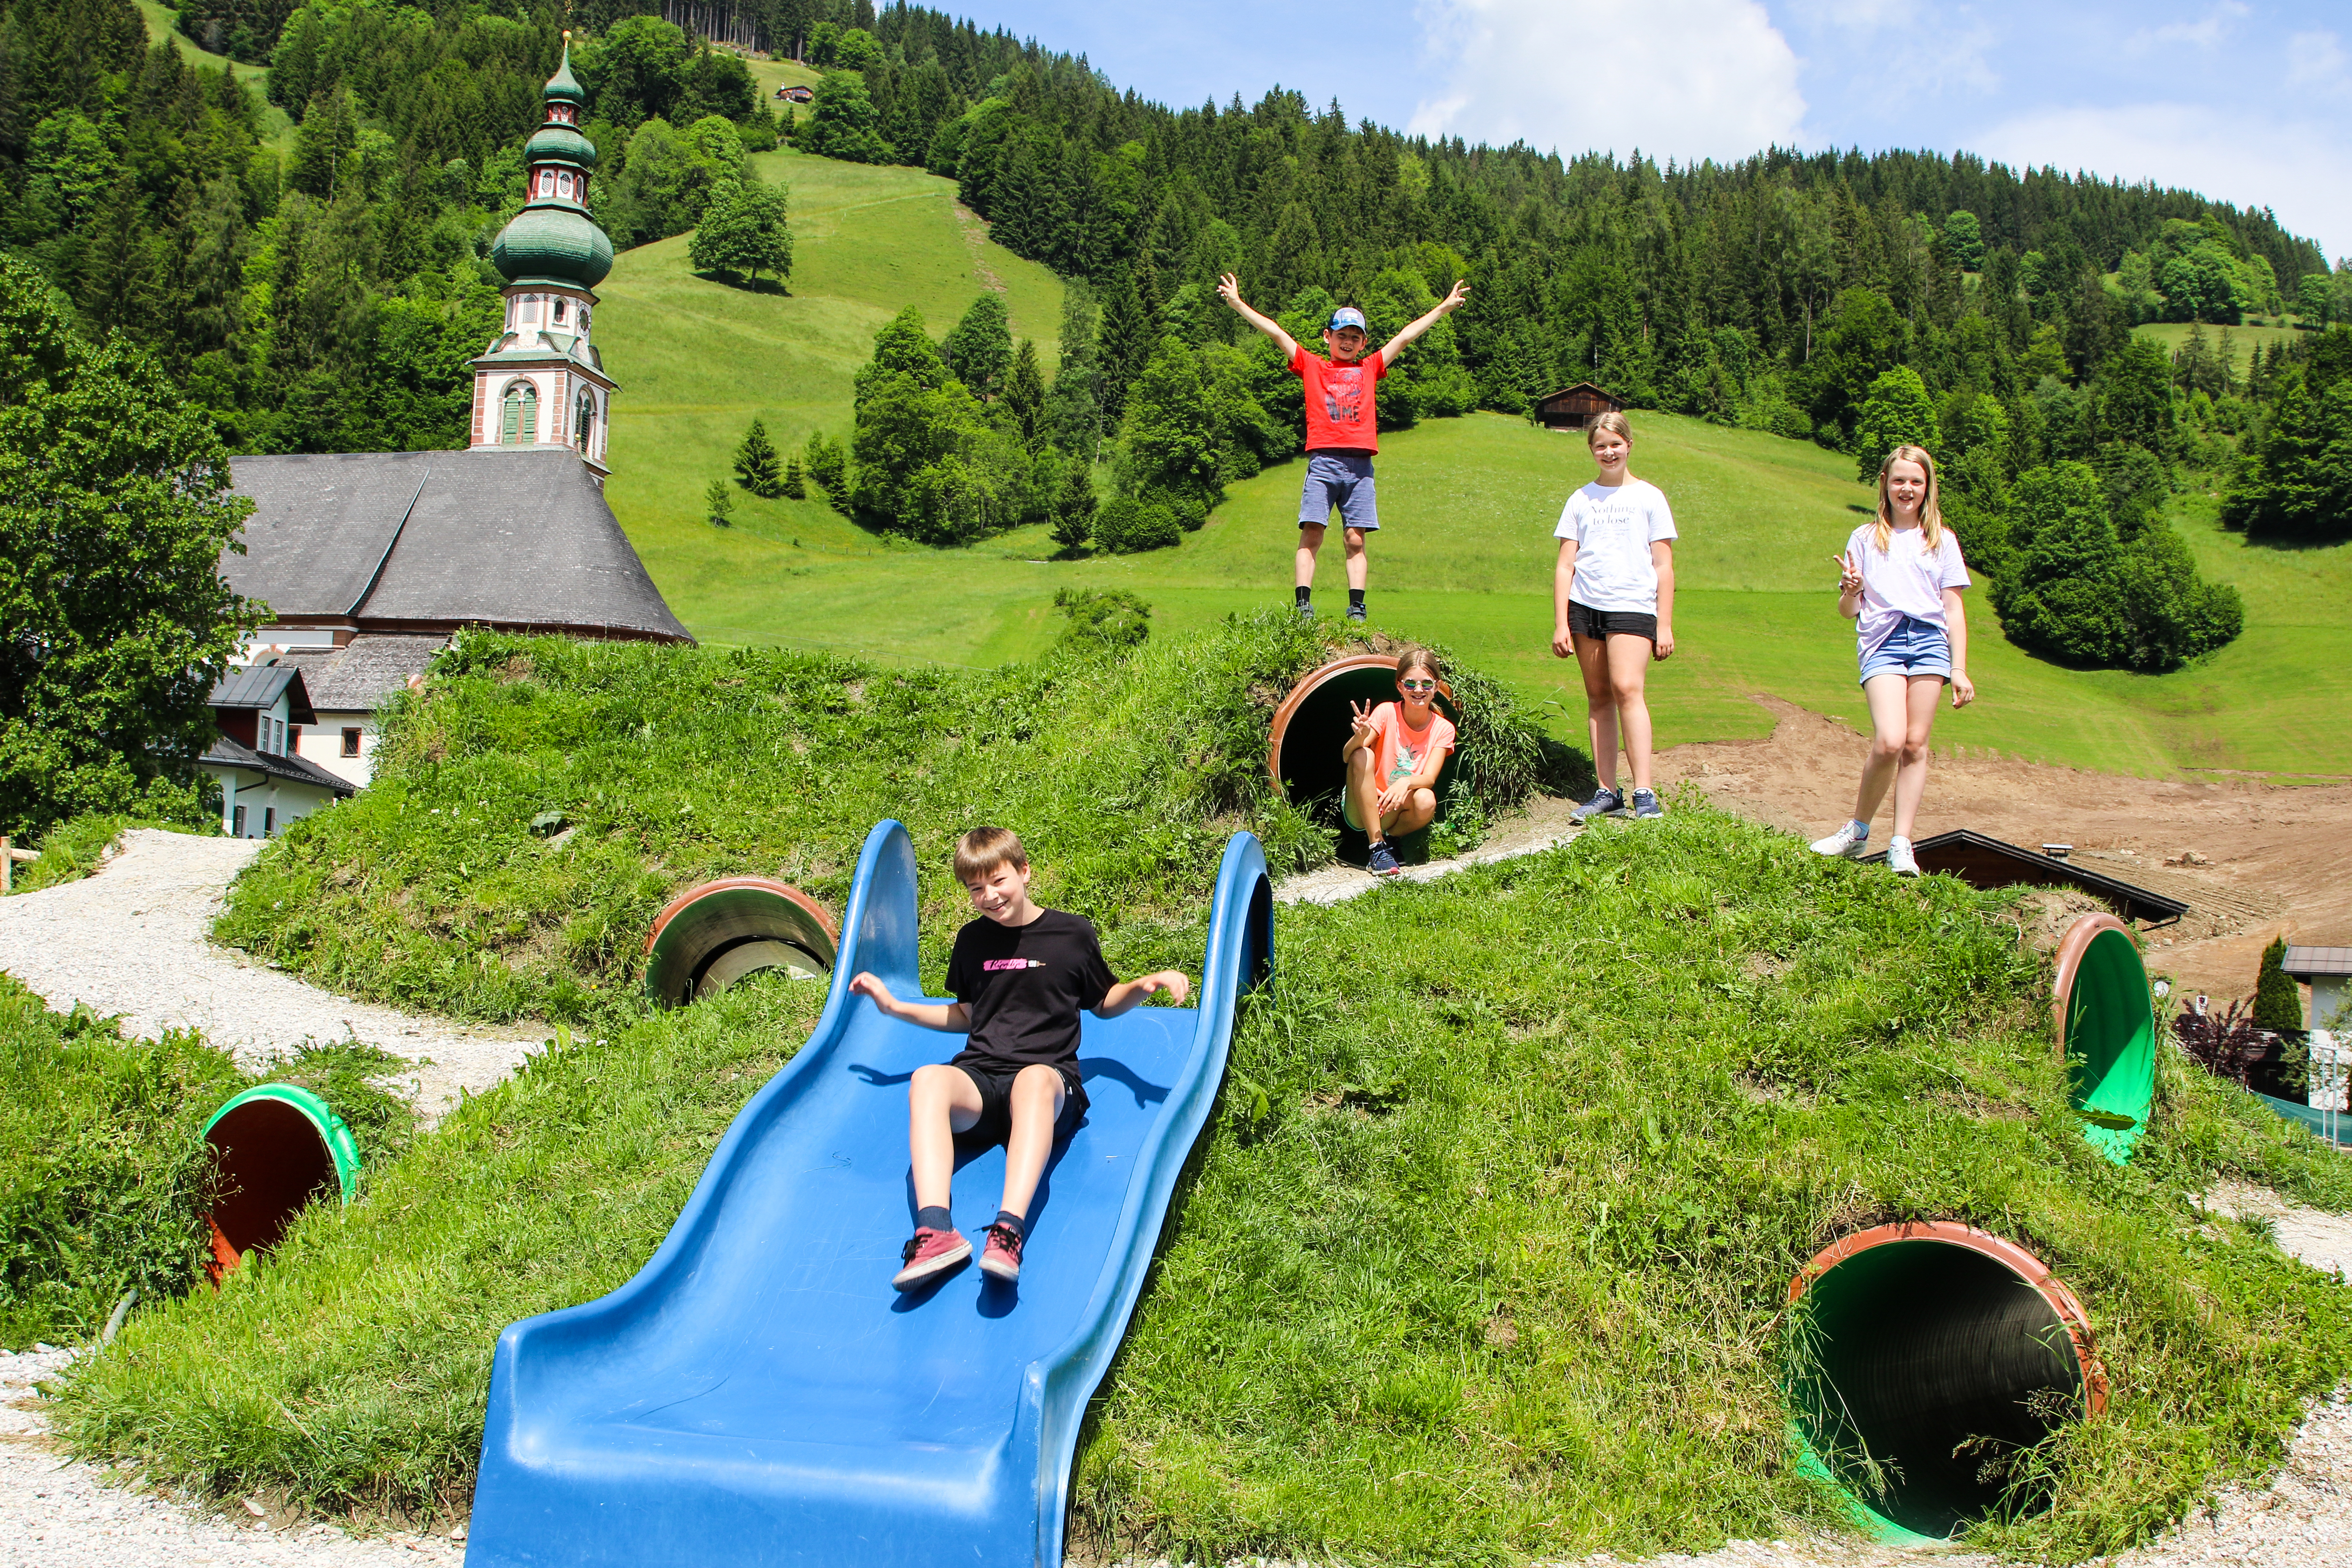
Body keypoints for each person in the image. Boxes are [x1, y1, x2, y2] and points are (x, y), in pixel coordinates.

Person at [849, 827, 1190, 1290]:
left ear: (1024, 872)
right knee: (929, 1078)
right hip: (984, 1081)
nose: (988, 896)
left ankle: (1008, 1230)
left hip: (1046, 1088)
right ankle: (935, 1233)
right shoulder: (972, 941)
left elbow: (1103, 1002)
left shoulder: (1071, 933)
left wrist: (1141, 985)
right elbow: (968, 1015)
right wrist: (895, 1007)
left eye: (998, 881)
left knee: (1032, 1079)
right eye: (975, 888)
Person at [1217, 273, 1470, 623]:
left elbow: (1406, 336)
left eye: (1355, 336)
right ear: (1328, 337)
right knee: (1313, 532)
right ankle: (1303, 605)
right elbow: (1276, 332)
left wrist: (1442, 308)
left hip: (1361, 466)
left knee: (1355, 539)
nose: (1348, 341)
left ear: (1363, 343)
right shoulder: (1312, 365)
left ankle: (1357, 608)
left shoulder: (1370, 367)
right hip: (1323, 462)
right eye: (1342, 335)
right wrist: (1238, 304)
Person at [1809, 445, 1975, 876]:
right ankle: (1857, 831)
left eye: (1916, 482)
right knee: (1890, 740)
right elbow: (1849, 611)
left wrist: (1958, 668)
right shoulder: (1864, 538)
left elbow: (1953, 608)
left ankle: (1902, 844)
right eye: (1899, 480)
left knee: (1916, 744)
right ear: (1885, 483)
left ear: (1927, 488)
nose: (1907, 489)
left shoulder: (1942, 540)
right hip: (1881, 641)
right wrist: (1850, 589)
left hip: (1929, 642)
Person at [1550, 412, 1676, 823]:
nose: (1609, 452)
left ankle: (1645, 791)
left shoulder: (1650, 497)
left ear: (1629, 445)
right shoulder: (1580, 499)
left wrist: (1665, 623)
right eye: (1601, 445)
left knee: (1627, 689)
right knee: (1599, 696)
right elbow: (1565, 565)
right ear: (1592, 450)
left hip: (1634, 606)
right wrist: (1560, 622)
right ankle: (1607, 790)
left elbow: (1663, 565)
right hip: (1586, 608)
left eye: (1615, 444)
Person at [1341, 647, 1459, 878]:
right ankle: (1376, 848)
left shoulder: (1443, 728)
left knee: (1426, 799)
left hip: (1393, 808)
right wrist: (1359, 736)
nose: (1418, 690)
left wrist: (1404, 783)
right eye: (1410, 684)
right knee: (1362, 753)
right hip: (1361, 806)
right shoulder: (1386, 712)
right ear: (1399, 686)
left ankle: (1390, 842)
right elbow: (1348, 756)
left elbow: (1429, 778)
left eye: (1426, 684)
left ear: (1436, 687)